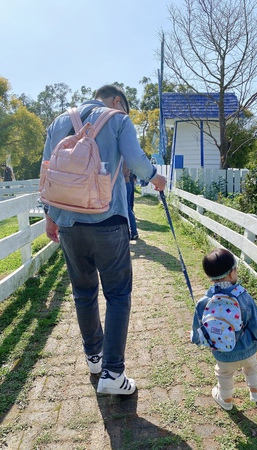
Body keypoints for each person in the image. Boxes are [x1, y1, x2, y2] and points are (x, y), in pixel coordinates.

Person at [42, 84, 166, 396]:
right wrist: (155, 176)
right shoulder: (118, 119)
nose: (123, 112)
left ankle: (94, 359)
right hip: (107, 220)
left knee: (84, 293)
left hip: (69, 222)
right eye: (123, 106)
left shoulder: (58, 122)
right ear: (115, 100)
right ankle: (113, 373)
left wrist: (50, 216)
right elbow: (136, 161)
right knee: (118, 295)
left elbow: (47, 171)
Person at [191, 248, 257, 411]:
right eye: (235, 269)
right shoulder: (243, 296)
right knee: (252, 368)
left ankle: (226, 398)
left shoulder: (205, 301)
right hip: (247, 348)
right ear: (231, 274)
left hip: (222, 351)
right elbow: (256, 322)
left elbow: (199, 323)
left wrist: (195, 338)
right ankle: (256, 392)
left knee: (224, 374)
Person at [122, 161, 138, 240]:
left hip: (124, 184)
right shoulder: (126, 157)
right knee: (127, 208)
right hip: (127, 183)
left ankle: (133, 231)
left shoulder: (122, 158)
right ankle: (133, 231)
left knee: (127, 209)